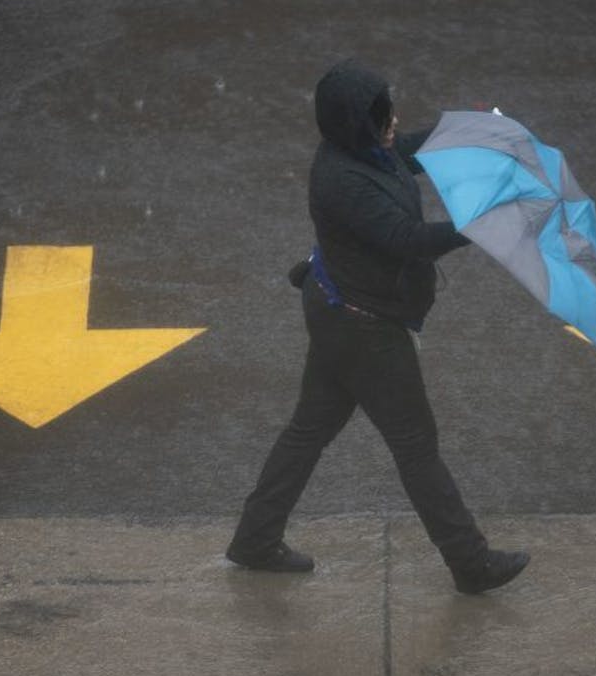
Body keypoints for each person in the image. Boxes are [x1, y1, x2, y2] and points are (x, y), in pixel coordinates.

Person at [226, 59, 529, 595]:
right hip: (363, 328)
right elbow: (407, 238)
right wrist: (479, 222)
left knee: (309, 431)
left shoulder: (366, 148)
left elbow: (411, 148)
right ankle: (470, 562)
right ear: (353, 126)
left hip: (339, 311)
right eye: (379, 116)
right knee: (415, 444)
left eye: (388, 109)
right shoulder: (343, 183)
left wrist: (475, 132)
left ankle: (255, 538)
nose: (391, 123)